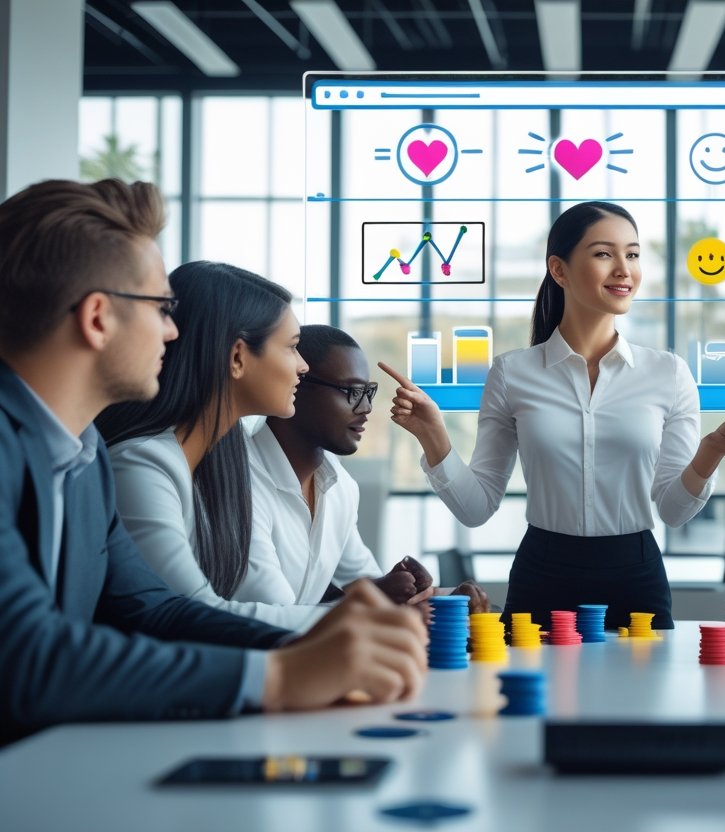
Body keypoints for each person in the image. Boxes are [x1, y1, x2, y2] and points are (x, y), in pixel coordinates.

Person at [0, 179, 425, 745]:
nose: (174, 331)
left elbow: (156, 610)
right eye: (160, 308)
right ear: (98, 318)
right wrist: (278, 676)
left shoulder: (84, 457)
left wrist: (330, 643)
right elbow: (28, 655)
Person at [381, 201, 725, 629]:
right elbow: (476, 507)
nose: (624, 269)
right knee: (535, 695)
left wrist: (710, 451)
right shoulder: (512, 373)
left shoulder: (668, 373)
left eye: (632, 254)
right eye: (603, 254)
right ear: (558, 270)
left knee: (642, 695)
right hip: (542, 575)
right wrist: (433, 436)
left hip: (636, 578)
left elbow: (673, 511)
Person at [95, 262, 430, 630]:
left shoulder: (223, 466)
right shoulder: (143, 467)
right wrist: (370, 618)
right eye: (291, 348)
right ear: (238, 357)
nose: (303, 367)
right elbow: (192, 616)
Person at [249, 324, 490, 612]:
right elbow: (268, 612)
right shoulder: (239, 478)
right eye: (351, 391)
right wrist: (373, 597)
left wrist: (437, 597)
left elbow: (363, 584)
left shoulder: (339, 487)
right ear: (295, 383)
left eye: (368, 392)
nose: (366, 408)